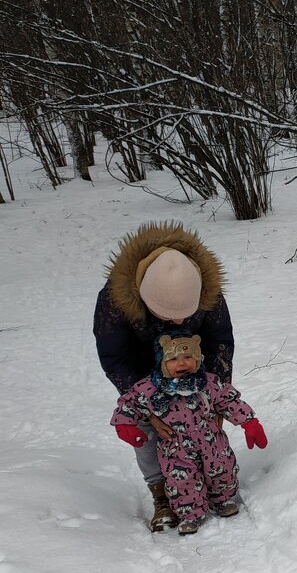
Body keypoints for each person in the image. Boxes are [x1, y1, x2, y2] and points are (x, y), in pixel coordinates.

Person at [94, 221, 235, 530]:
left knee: (198, 424)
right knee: (148, 428)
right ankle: (160, 493)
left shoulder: (207, 289)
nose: (179, 320)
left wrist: (217, 397)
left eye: (186, 312)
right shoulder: (114, 301)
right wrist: (148, 405)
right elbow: (115, 356)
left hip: (190, 360)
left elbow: (220, 342)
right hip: (141, 368)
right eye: (168, 314)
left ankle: (208, 480)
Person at [111, 330, 268, 535]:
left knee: (222, 469)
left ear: (198, 359)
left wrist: (249, 422)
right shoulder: (150, 389)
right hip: (175, 447)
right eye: (173, 359)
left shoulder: (208, 382)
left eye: (188, 357)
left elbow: (229, 401)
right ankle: (190, 513)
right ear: (161, 362)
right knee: (183, 480)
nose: (182, 363)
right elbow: (129, 403)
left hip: (212, 441)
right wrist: (124, 425)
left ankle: (222, 499)